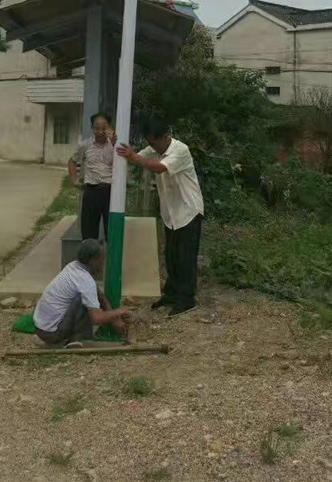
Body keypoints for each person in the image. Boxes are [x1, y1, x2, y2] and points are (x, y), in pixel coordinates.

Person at [117, 119, 204, 318]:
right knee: (171, 256)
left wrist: (134, 157)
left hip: (188, 211)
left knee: (185, 258)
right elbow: (137, 158)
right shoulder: (154, 148)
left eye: (155, 143)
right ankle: (172, 294)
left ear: (166, 137)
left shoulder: (180, 150)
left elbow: (158, 168)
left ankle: (187, 299)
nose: (152, 147)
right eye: (150, 143)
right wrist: (122, 147)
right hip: (171, 213)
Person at [33, 238, 130, 346]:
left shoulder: (73, 266)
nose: (103, 262)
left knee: (86, 298)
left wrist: (114, 319)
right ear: (93, 260)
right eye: (102, 258)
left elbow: (100, 295)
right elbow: (97, 318)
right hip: (52, 333)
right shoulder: (85, 281)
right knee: (82, 300)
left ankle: (74, 339)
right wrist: (120, 311)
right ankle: (80, 341)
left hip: (40, 329)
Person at [69, 112, 114, 241]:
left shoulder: (115, 145)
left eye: (104, 128)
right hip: (91, 191)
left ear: (109, 127)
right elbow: (72, 161)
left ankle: (110, 259)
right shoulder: (85, 145)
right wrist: (74, 180)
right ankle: (89, 259)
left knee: (111, 232)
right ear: (92, 128)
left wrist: (114, 142)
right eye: (97, 128)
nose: (100, 131)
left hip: (110, 193)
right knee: (88, 232)